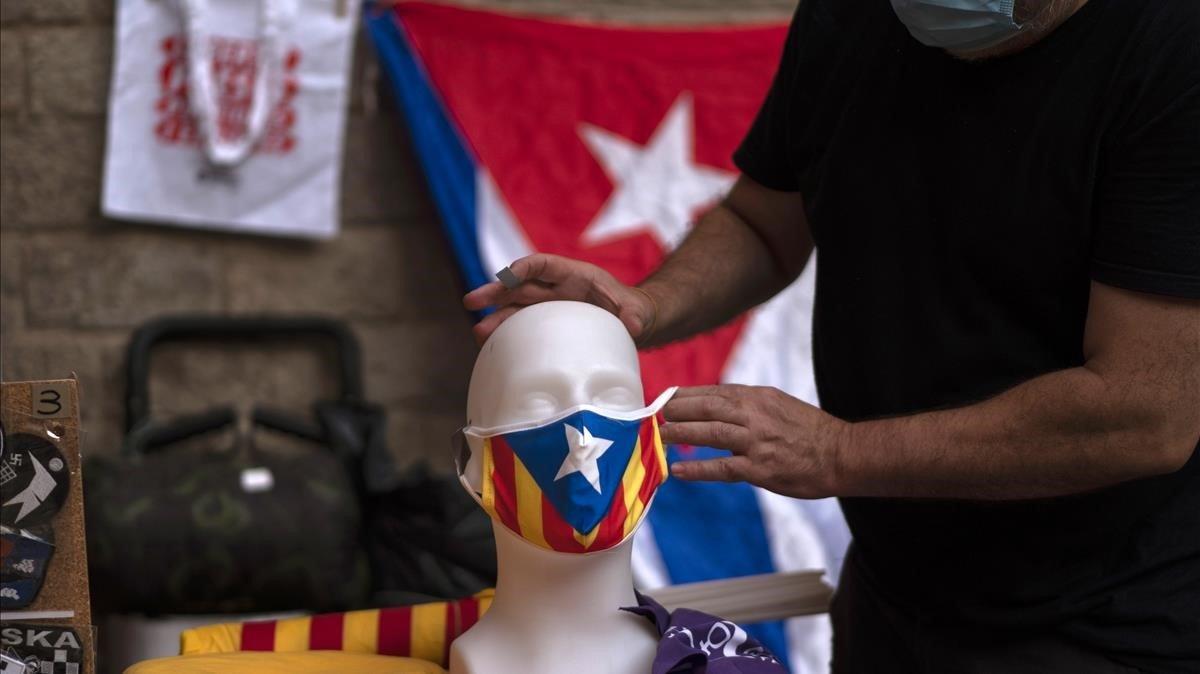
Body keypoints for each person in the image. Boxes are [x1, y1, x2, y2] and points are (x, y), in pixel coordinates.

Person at [463, 0, 1200, 671]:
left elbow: (1144, 414)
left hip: (1109, 616)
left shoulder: (1169, 54)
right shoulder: (861, 16)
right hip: (893, 591)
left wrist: (840, 453)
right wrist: (645, 306)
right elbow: (764, 220)